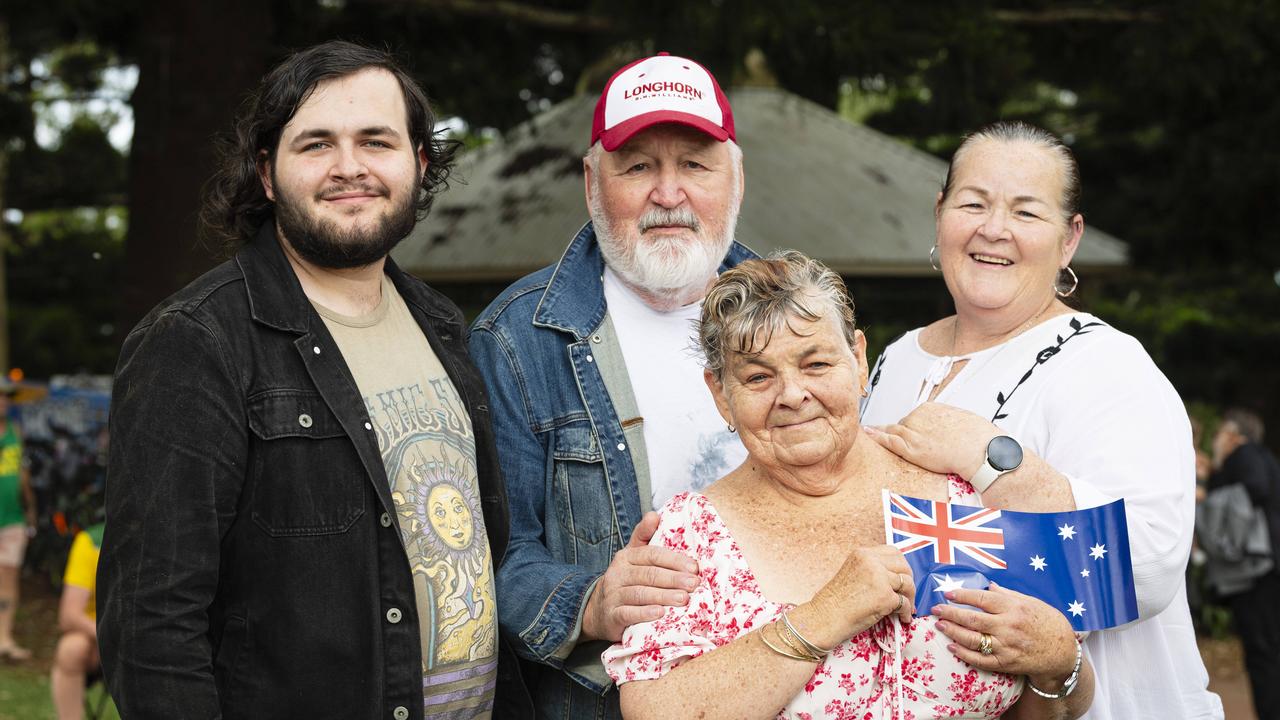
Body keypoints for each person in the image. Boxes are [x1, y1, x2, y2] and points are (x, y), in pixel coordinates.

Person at [98, 40, 528, 719]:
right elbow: (151, 624)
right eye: (317, 144)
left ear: (417, 164)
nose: (349, 168)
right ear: (267, 173)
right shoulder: (196, 341)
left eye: (376, 142)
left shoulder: (443, 324)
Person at [605, 251, 1093, 719]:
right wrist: (829, 613)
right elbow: (654, 710)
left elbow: (1058, 698)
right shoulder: (691, 536)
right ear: (722, 396)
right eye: (757, 377)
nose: (793, 395)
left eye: (816, 364)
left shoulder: (958, 485)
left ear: (859, 361)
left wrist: (1057, 658)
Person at [859, 121, 1222, 719]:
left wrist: (991, 460)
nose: (993, 229)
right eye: (972, 203)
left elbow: (1150, 564)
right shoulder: (896, 358)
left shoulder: (1108, 365)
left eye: (1026, 213)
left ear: (1069, 238)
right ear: (940, 212)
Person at [469, 53, 754, 718]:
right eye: (638, 166)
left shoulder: (797, 318)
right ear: (592, 183)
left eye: (694, 164)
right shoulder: (516, 340)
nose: (668, 192)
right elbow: (488, 559)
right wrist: (592, 601)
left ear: (735, 179)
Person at [1207, 408, 1280, 718]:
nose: (1216, 440)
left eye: (1220, 433)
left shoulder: (1246, 454)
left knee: (1263, 653)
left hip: (1258, 571)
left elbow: (1255, 487)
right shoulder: (1261, 456)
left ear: (1234, 436)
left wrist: (1206, 500)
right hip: (1266, 569)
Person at [51, 522, 104, 720]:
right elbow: (69, 615)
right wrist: (109, 636)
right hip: (101, 639)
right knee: (71, 649)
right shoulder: (91, 541)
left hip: (150, 636)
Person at [0, 386, 33, 661]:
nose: (3, 402)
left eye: (6, 397)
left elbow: (22, 474)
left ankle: (5, 639)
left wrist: (30, 507)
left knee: (9, 577)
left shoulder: (15, 432)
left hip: (12, 518)